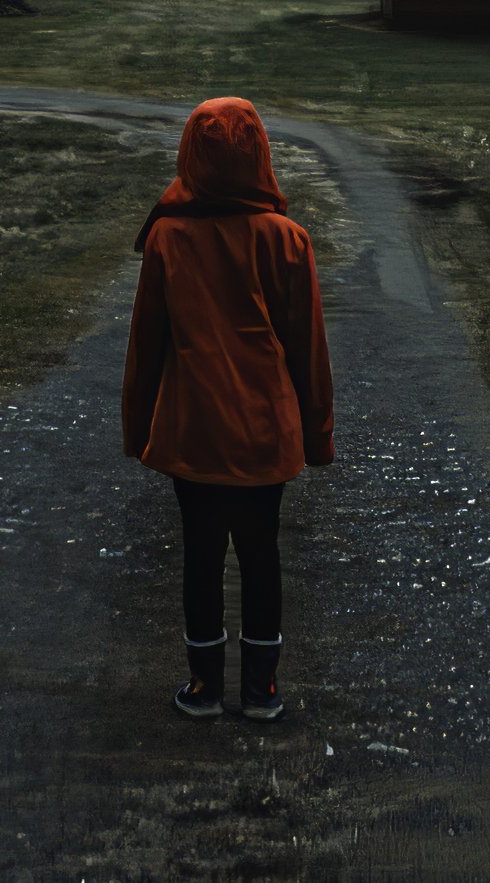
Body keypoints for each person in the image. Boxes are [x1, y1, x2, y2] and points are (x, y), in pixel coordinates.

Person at [121, 96, 334, 721]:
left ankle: (206, 687)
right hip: (268, 432)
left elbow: (146, 345)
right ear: (261, 154)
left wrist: (138, 431)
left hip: (195, 432)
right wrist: (317, 438)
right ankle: (262, 689)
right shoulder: (288, 240)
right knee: (262, 551)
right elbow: (309, 351)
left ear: (191, 155)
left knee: (201, 554)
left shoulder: (167, 236)